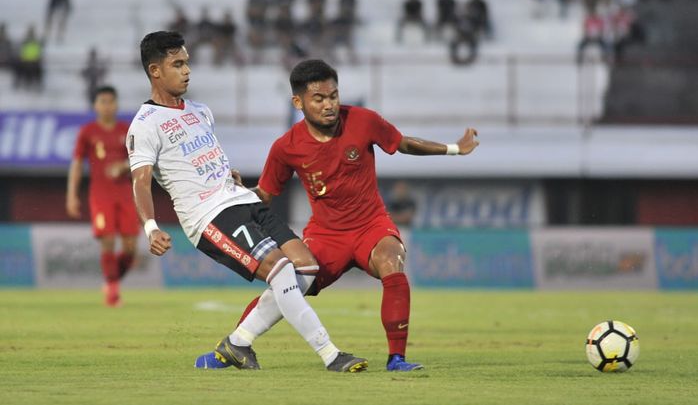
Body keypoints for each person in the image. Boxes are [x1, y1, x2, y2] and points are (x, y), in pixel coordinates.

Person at [201, 59, 479, 372]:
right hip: (325, 236)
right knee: (289, 285)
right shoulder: (286, 147)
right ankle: (235, 345)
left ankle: (396, 358)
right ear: (299, 102)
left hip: (371, 225)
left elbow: (402, 143)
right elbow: (265, 194)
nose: (329, 104)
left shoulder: (362, 120)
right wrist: (236, 193)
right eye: (319, 99)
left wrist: (454, 148)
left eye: (333, 96)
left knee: (392, 261)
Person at [128, 31, 366, 372]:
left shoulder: (200, 111)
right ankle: (331, 354)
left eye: (187, 63)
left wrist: (228, 176)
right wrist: (151, 227)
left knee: (307, 269)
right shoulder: (145, 124)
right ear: (154, 70)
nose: (187, 71)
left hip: (240, 199)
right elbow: (140, 180)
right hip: (209, 215)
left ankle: (237, 343)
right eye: (177, 64)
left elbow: (199, 157)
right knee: (281, 270)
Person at [67, 86, 139, 307]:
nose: (107, 105)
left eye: (110, 101)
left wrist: (123, 166)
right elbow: (77, 164)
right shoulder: (87, 132)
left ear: (116, 104)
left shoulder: (128, 130)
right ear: (96, 105)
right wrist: (71, 195)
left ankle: (111, 281)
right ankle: (113, 292)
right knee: (107, 240)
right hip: (100, 195)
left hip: (126, 194)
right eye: (102, 101)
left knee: (130, 248)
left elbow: (141, 160)